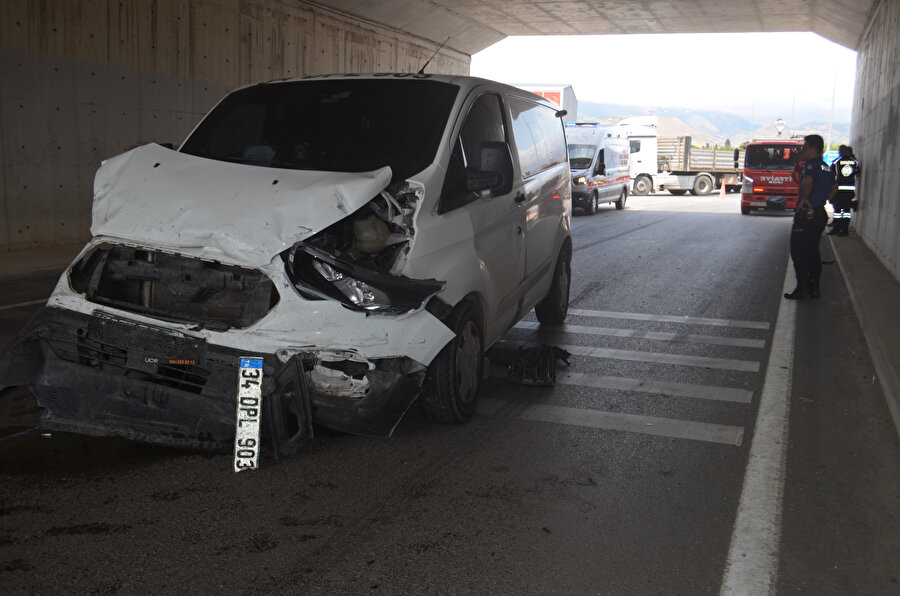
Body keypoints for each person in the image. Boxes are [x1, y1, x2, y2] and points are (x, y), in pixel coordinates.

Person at [785, 134, 831, 300]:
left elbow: (807, 182)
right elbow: (834, 187)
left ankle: (803, 288)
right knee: (812, 251)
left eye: (804, 148)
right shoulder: (826, 167)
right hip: (819, 213)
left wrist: (805, 199)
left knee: (799, 251)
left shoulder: (811, 165)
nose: (802, 152)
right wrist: (821, 199)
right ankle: (814, 288)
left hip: (807, 215)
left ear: (813, 150)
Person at [827, 145, 861, 236]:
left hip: (839, 190)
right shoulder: (855, 162)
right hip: (849, 190)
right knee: (846, 211)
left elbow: (830, 173)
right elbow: (858, 173)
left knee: (837, 211)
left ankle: (836, 228)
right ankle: (844, 230)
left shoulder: (836, 161)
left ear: (841, 153)